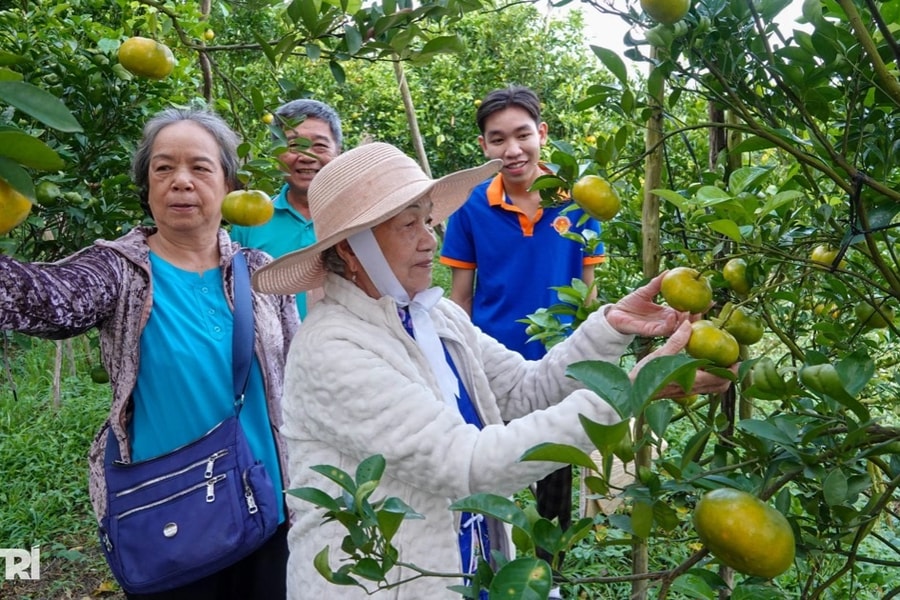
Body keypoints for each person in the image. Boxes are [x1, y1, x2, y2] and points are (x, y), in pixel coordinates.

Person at [252, 142, 732, 600]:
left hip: (466, 568)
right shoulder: (333, 347)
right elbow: (468, 466)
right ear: (353, 250)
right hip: (382, 583)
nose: (428, 240)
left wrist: (608, 328)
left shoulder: (433, 318)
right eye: (407, 225)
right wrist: (629, 393)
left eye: (428, 220)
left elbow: (526, 391)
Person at [0, 106, 299, 600]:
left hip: (270, 512)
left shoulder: (263, 273)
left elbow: (300, 380)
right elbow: (43, 297)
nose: (181, 181)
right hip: (171, 515)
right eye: (163, 168)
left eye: (200, 167)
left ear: (228, 183)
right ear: (147, 184)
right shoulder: (120, 272)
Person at [438, 85, 604, 587]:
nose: (512, 150)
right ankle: (489, 579)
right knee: (493, 476)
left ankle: (546, 580)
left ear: (542, 134)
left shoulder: (577, 198)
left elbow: (587, 292)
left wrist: (591, 360)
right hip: (494, 369)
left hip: (559, 367)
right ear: (484, 146)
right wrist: (452, 363)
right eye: (497, 139)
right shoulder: (470, 206)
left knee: (552, 476)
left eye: (522, 135)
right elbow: (460, 294)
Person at [231, 98, 342, 318]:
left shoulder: (361, 216)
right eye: (293, 146)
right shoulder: (251, 218)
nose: (307, 157)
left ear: (338, 152)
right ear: (275, 154)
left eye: (319, 146)